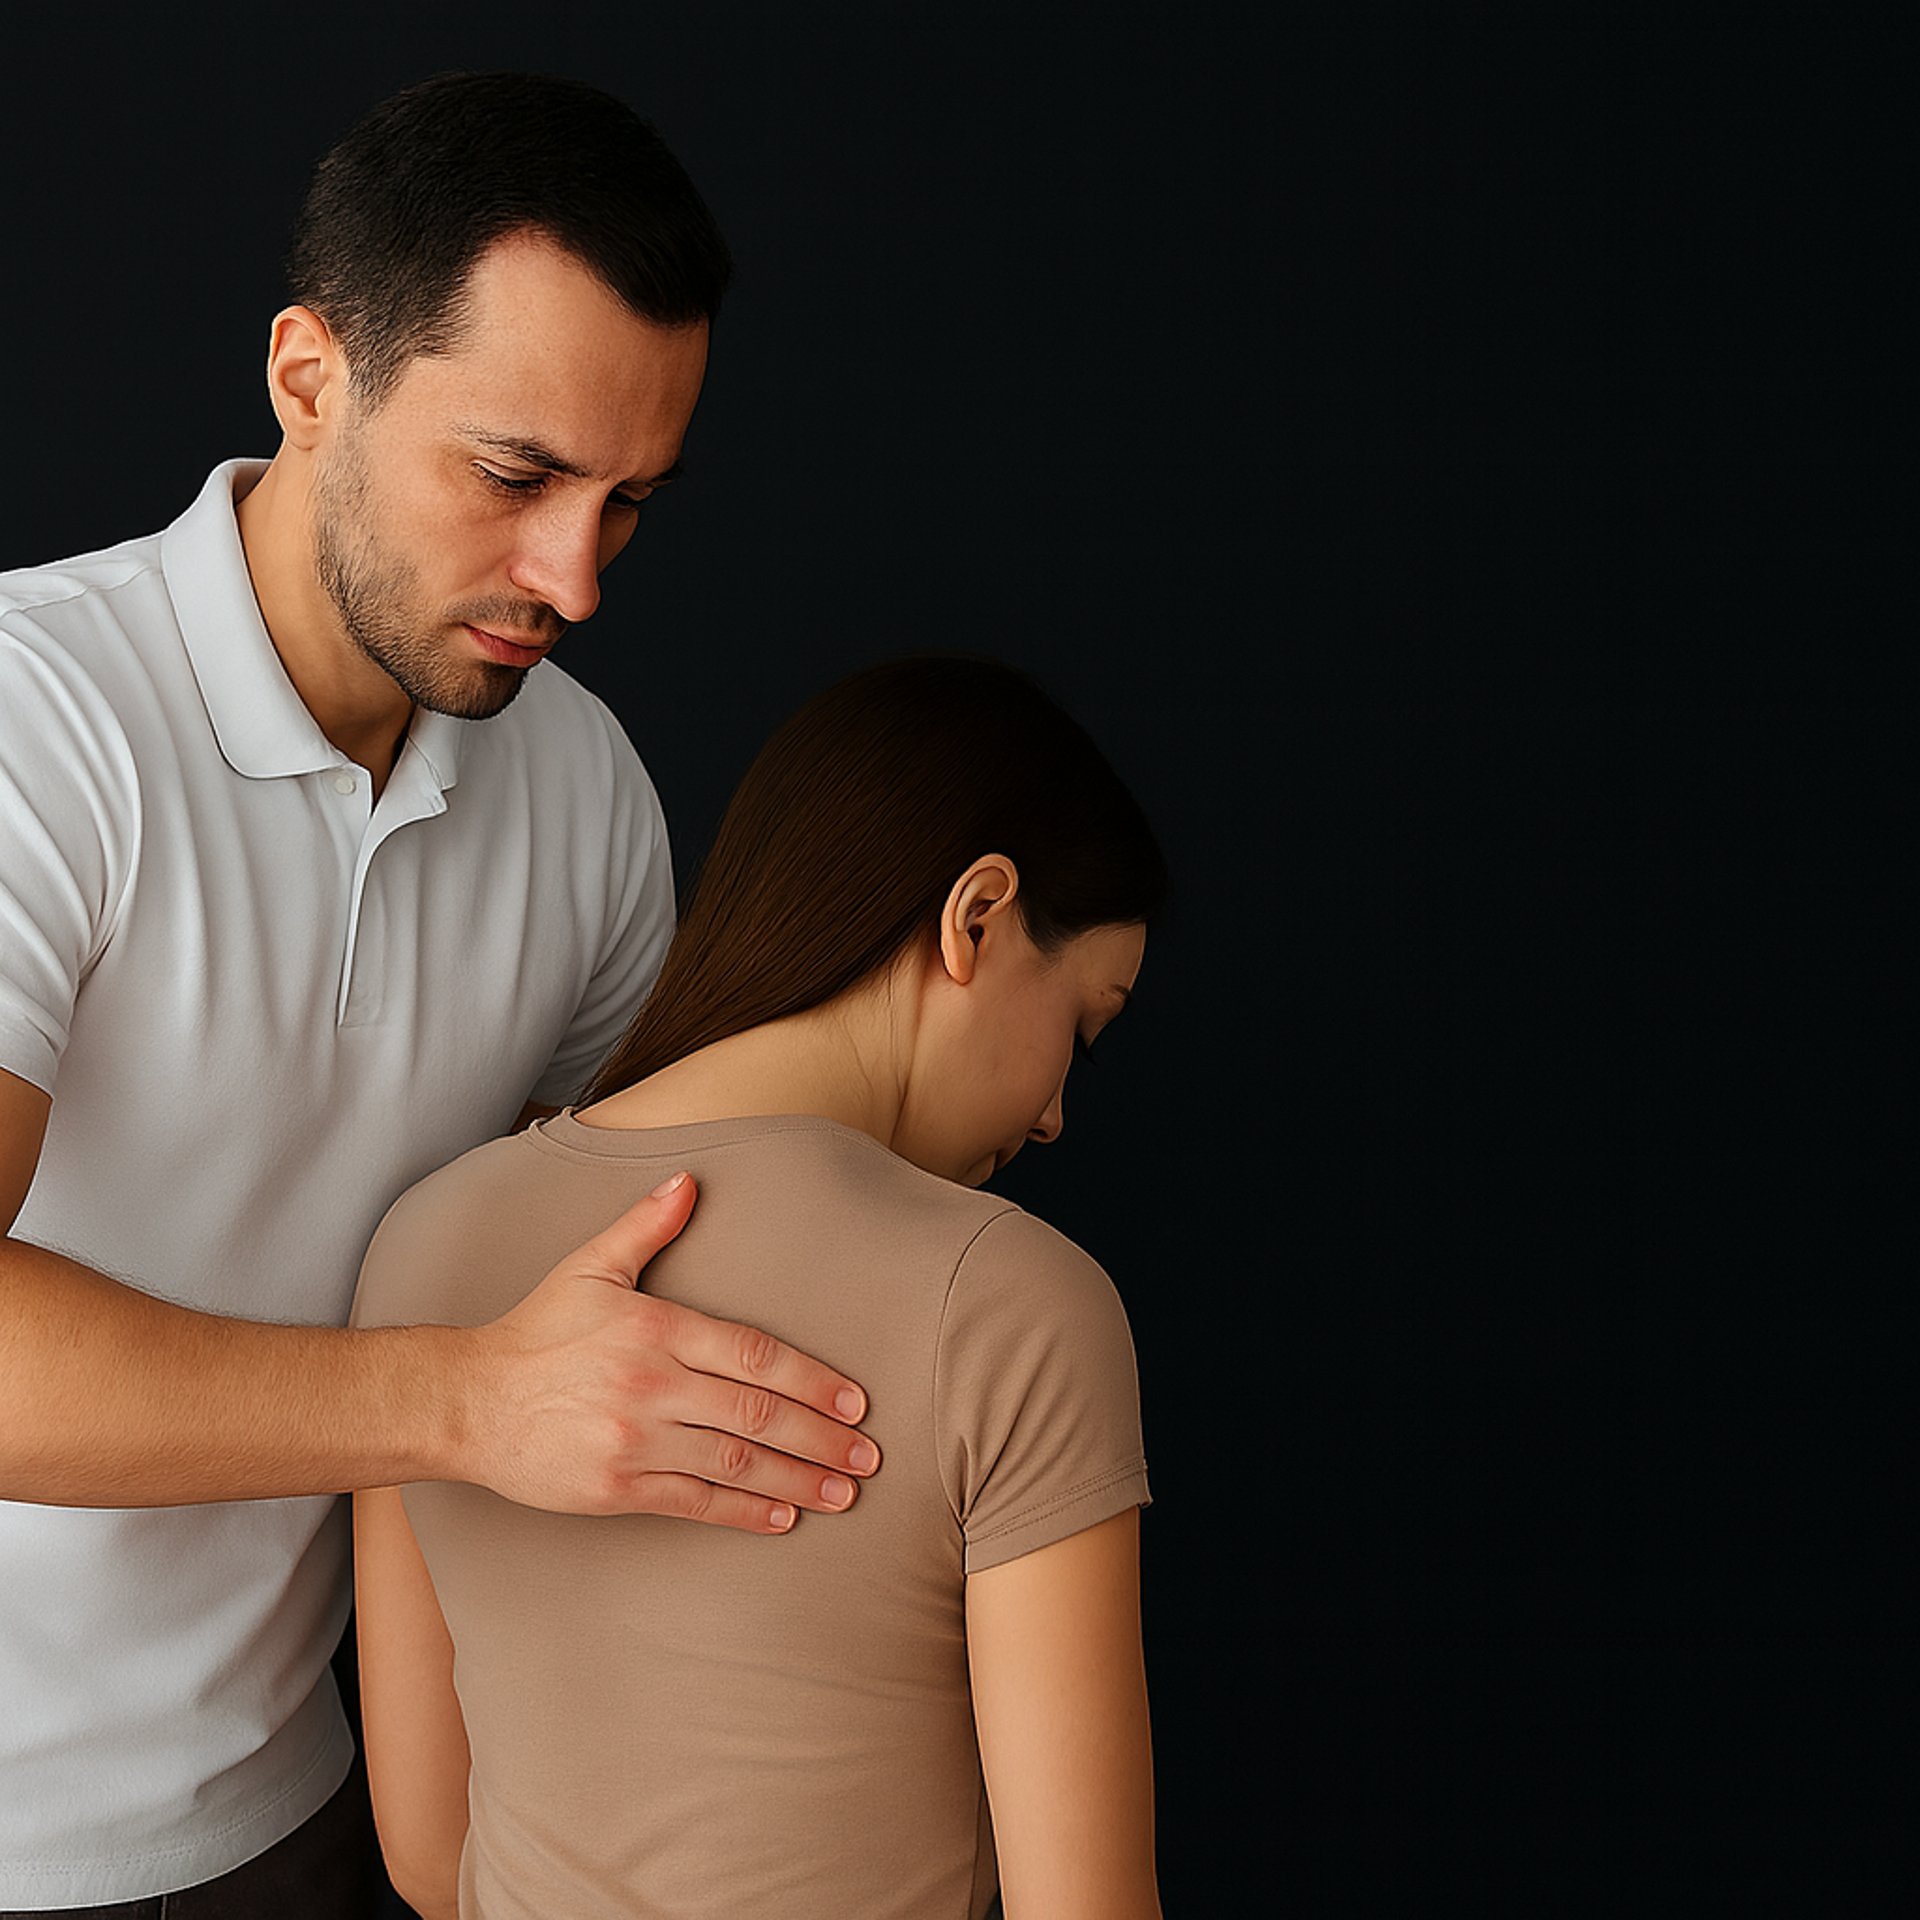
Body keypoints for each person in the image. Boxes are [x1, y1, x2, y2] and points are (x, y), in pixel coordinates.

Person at [0, 73, 882, 1916]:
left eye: (630, 503)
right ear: (309, 376)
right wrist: (466, 1406)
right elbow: (501, 1389)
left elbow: (615, 1278)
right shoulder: (37, 723)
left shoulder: (586, 793)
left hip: (308, 1820)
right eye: (516, 475)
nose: (572, 577)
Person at [351, 656, 1168, 1920]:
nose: (1057, 1114)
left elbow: (427, 1845)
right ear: (980, 916)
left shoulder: (423, 1240)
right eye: (1085, 1026)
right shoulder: (1012, 1301)